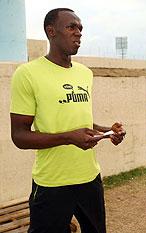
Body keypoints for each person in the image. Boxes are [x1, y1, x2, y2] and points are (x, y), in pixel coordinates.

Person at [10, 8, 126, 233]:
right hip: (52, 183)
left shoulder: (85, 73)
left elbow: (77, 119)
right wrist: (67, 138)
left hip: (89, 178)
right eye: (71, 27)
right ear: (51, 31)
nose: (78, 33)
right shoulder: (27, 74)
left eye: (80, 28)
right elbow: (19, 136)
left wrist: (106, 131)